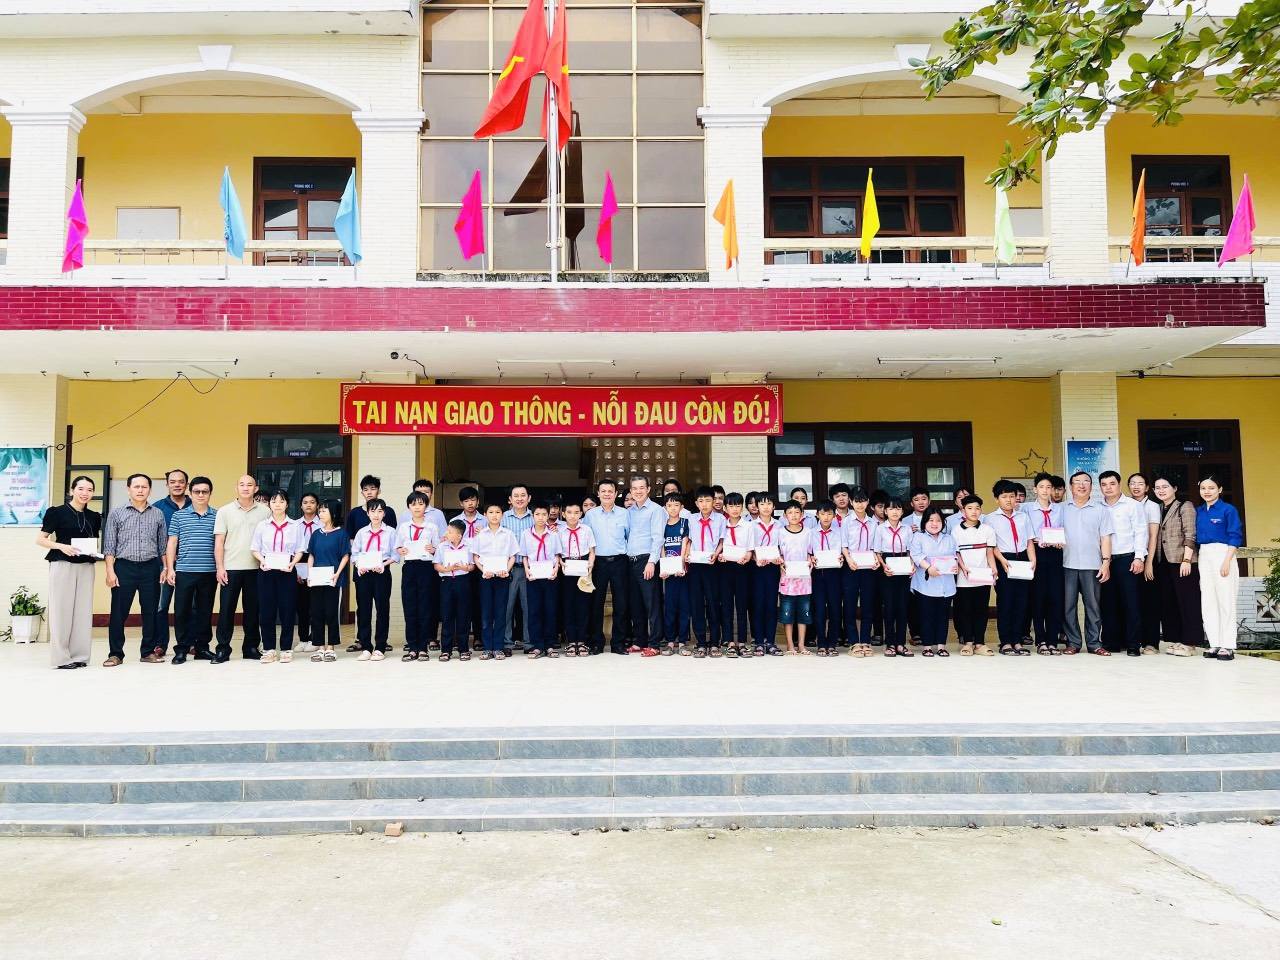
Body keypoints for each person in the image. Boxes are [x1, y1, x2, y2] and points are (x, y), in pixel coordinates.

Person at [101, 474, 169, 667]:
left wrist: (165, 567)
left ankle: (147, 652)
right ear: (128, 489)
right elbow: (109, 546)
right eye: (136, 486)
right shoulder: (116, 513)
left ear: (150, 490)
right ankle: (116, 654)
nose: (140, 490)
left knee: (150, 612)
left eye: (144, 487)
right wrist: (110, 571)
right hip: (124, 568)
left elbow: (162, 546)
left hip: (150, 568)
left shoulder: (157, 514)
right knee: (118, 613)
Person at [37, 474, 102, 669]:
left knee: (83, 612)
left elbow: (92, 540)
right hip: (62, 564)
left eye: (89, 490)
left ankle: (80, 655)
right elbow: (40, 539)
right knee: (61, 610)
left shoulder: (94, 516)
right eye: (80, 489)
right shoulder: (56, 512)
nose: (85, 493)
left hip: (86, 566)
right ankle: (61, 658)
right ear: (71, 490)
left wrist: (95, 552)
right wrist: (61, 546)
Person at [212, 475, 270, 663]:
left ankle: (251, 647)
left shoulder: (265, 511)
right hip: (230, 568)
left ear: (256, 488)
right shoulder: (225, 511)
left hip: (256, 568)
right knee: (226, 610)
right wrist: (220, 567)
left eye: (249, 485)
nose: (245, 488)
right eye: (242, 485)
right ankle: (223, 649)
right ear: (236, 488)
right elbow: (219, 542)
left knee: (253, 610)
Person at [164, 477, 218, 664]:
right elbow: (172, 543)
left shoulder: (218, 515)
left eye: (205, 491)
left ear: (210, 493)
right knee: (182, 611)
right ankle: (182, 649)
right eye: (197, 491)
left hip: (209, 571)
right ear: (190, 493)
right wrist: (170, 568)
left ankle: (202, 648)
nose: (201, 495)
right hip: (184, 571)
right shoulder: (179, 516)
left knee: (205, 611)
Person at [1061, 471, 1115, 655]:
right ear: (1071, 486)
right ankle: (1073, 642)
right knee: (1068, 606)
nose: (1082, 485)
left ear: (1091, 487)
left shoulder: (1101, 509)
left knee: (1093, 607)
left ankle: (1094, 643)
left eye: (1086, 482)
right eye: (1077, 482)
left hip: (1092, 565)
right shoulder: (1062, 508)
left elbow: (1105, 538)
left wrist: (1106, 563)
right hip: (1067, 564)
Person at [250, 490, 306, 663]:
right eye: (274, 501)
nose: (277, 505)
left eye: (281, 501)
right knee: (266, 610)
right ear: (270, 504)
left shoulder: (295, 526)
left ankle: (286, 648)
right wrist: (262, 561)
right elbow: (255, 548)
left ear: (287, 504)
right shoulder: (262, 525)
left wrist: (293, 563)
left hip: (287, 571)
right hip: (266, 571)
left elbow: (300, 549)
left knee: (287, 609)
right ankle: (269, 649)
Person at [1152, 475, 1203, 657]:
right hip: (1164, 562)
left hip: (1182, 561)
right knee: (1170, 602)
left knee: (1188, 602)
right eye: (1157, 487)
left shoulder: (1184, 506)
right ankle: (1177, 640)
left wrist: (1187, 560)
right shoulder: (1158, 508)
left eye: (1165, 486)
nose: (1161, 490)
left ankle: (1190, 642)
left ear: (1174, 488)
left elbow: (1190, 534)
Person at [1099, 470, 1148, 657]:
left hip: (1127, 558)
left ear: (1119, 485)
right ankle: (1111, 642)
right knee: (1108, 602)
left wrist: (1139, 557)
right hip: (1105, 560)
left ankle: (1133, 643)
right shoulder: (1098, 506)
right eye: (1104, 485)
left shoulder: (1132, 505)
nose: (1108, 488)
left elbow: (1141, 531)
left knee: (1131, 602)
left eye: (1112, 484)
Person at [1196, 475, 1243, 661]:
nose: (1207, 491)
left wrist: (1227, 560)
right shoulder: (1199, 511)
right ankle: (1214, 642)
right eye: (1203, 488)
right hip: (1204, 554)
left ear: (1220, 489)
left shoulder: (1228, 510)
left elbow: (1235, 535)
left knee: (1226, 599)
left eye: (1211, 488)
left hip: (1224, 553)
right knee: (1208, 600)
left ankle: (1228, 645)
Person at [988, 479, 1036, 656]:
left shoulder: (1023, 517)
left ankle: (1017, 641)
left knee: (1022, 603)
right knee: (1006, 602)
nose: (1008, 500)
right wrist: (1002, 560)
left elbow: (1029, 541)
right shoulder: (990, 519)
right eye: (1004, 496)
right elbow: (991, 545)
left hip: (1022, 559)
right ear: (996, 499)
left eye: (1011, 496)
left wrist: (1033, 561)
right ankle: (1006, 642)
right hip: (1004, 560)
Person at [582, 478, 630, 655]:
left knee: (621, 603)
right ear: (598, 493)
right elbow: (585, 539)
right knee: (596, 603)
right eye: (603, 491)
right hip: (598, 563)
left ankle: (618, 643)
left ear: (616, 493)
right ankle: (597, 642)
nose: (607, 494)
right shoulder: (590, 515)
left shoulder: (625, 514)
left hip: (620, 561)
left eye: (610, 491)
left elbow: (628, 536)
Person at [350, 497, 399, 661]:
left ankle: (380, 647)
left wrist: (383, 564)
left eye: (380, 511)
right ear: (368, 513)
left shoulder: (391, 532)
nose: (376, 514)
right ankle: (366, 647)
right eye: (373, 511)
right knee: (364, 610)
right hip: (364, 574)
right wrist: (359, 565)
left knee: (382, 610)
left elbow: (395, 554)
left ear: (384, 513)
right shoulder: (361, 532)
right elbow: (354, 554)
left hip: (382, 573)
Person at [1023, 472, 1065, 655]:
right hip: (1036, 553)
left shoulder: (1060, 509)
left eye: (1049, 487)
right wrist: (1036, 540)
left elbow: (1064, 529)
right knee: (1038, 598)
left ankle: (1052, 640)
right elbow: (1025, 532)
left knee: (1055, 598)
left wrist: (1061, 540)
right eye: (1042, 487)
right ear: (1035, 489)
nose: (1046, 490)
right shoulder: (1026, 509)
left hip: (1055, 553)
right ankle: (1040, 640)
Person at [150, 469, 190, 659]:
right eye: (172, 481)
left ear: (186, 484)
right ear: (167, 484)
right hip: (163, 566)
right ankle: (160, 643)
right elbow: (154, 539)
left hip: (190, 565)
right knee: (161, 605)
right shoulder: (157, 508)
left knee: (191, 606)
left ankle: (190, 642)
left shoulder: (196, 504)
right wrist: (166, 564)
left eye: (181, 481)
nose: (177, 485)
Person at [471, 501, 518, 660]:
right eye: (491, 512)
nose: (494, 515)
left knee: (500, 612)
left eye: (498, 512)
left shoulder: (508, 534)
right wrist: (483, 570)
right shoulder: (480, 535)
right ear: (485, 515)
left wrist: (507, 570)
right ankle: (487, 648)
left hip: (502, 577)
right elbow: (475, 556)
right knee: (486, 613)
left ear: (502, 515)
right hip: (486, 577)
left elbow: (513, 556)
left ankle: (498, 647)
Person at [305, 499, 350, 662]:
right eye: (320, 510)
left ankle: (330, 647)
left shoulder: (341, 534)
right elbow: (311, 555)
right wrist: (309, 574)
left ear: (334, 512)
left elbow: (345, 555)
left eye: (324, 510)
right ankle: (319, 647)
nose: (320, 513)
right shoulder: (316, 534)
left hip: (333, 580)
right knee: (316, 612)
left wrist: (337, 574)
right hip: (317, 579)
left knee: (331, 613)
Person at [625, 473, 665, 655]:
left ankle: (655, 644)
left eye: (642, 487)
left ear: (648, 489)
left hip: (646, 561)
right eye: (635, 488)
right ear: (630, 491)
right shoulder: (629, 511)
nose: (638, 491)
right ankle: (640, 641)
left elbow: (658, 538)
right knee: (636, 604)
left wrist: (651, 562)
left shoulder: (656, 510)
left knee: (652, 604)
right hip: (630, 561)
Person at [397, 492, 439, 662]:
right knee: (410, 606)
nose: (417, 507)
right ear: (409, 507)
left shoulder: (432, 527)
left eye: (421, 504)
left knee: (425, 607)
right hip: (409, 567)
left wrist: (433, 549)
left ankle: (423, 648)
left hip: (426, 568)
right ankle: (412, 647)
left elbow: (438, 549)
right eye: (413, 504)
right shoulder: (403, 527)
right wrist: (400, 550)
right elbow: (397, 547)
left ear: (426, 507)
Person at [910, 507, 958, 656]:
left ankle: (941, 646)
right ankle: (927, 647)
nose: (934, 523)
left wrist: (955, 565)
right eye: (931, 520)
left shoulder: (949, 538)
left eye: (938, 520)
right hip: (925, 584)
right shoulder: (918, 537)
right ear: (924, 522)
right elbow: (916, 555)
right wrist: (928, 567)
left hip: (946, 584)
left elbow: (955, 556)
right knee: (926, 616)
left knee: (943, 617)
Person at [952, 494, 995, 656]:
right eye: (970, 508)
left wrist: (993, 569)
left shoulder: (987, 530)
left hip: (983, 576)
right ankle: (968, 643)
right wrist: (963, 568)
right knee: (965, 610)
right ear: (963, 511)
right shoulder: (956, 530)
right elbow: (956, 553)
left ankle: (980, 643)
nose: (974, 511)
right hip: (964, 578)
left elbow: (989, 552)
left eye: (977, 508)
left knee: (981, 610)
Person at [687, 485, 725, 656]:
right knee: (696, 604)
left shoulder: (720, 519)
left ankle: (715, 642)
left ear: (713, 501)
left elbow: (722, 540)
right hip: (695, 565)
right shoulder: (691, 519)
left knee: (713, 603)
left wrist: (716, 554)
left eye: (708, 500)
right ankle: (701, 642)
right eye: (701, 501)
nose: (704, 504)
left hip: (712, 565)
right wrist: (686, 555)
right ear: (696, 503)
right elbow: (688, 540)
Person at [841, 487, 879, 657]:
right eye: (856, 501)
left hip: (868, 568)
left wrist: (876, 560)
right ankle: (853, 642)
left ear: (868, 502)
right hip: (851, 566)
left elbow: (875, 547)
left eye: (863, 500)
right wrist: (849, 560)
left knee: (867, 605)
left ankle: (865, 640)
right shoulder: (846, 522)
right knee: (849, 605)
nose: (860, 504)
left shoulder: (873, 523)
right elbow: (844, 545)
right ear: (851, 502)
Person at [1128, 472, 1163, 655]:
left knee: (1149, 602)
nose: (1136, 487)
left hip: (1148, 558)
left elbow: (1153, 536)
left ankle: (1151, 642)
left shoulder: (1152, 506)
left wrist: (1148, 562)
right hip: (1130, 558)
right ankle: (1133, 640)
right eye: (1133, 483)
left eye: (1140, 483)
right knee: (1133, 601)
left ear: (1147, 487)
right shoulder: (1127, 504)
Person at [521, 501, 561, 659]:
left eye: (544, 514)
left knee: (550, 610)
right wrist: (527, 570)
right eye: (537, 514)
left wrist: (556, 569)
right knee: (534, 610)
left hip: (550, 576)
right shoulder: (526, 534)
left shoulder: (553, 534)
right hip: (533, 576)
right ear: (532, 515)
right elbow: (524, 555)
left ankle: (550, 644)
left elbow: (557, 555)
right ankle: (537, 645)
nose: (541, 517)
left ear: (548, 515)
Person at [874, 497, 913, 657]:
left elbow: (911, 550)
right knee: (889, 607)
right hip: (887, 568)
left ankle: (901, 643)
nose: (894, 512)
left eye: (898, 508)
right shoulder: (880, 529)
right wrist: (884, 566)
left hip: (904, 566)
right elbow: (877, 551)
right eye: (891, 508)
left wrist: (912, 565)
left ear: (902, 511)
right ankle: (890, 643)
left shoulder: (907, 529)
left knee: (903, 606)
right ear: (885, 511)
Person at [558, 500, 596, 658]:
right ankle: (571, 641)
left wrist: (590, 565)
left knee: (583, 605)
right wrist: (560, 562)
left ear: (581, 514)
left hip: (583, 567)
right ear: (563, 514)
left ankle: (582, 640)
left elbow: (592, 550)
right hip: (566, 567)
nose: (573, 516)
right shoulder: (559, 531)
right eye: (569, 512)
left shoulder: (586, 529)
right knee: (568, 605)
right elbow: (557, 552)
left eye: (576, 512)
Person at [501, 483, 535, 653]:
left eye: (523, 495)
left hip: (530, 569)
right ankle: (506, 643)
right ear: (510, 499)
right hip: (509, 568)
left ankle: (529, 643)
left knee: (529, 608)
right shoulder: (502, 518)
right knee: (506, 608)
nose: (520, 499)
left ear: (529, 498)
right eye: (516, 496)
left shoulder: (536, 517)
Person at [718, 492, 754, 657]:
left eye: (738, 505)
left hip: (742, 568)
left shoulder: (748, 526)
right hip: (725, 568)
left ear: (742, 507)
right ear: (725, 508)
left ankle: (742, 642)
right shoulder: (721, 525)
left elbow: (750, 548)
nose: (734, 509)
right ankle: (729, 641)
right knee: (726, 605)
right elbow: (717, 545)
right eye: (731, 505)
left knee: (741, 606)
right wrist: (719, 555)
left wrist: (747, 556)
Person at [434, 519, 474, 661]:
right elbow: (436, 565)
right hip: (447, 582)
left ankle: (464, 649)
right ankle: (446, 650)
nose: (447, 533)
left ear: (459, 535)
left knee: (463, 616)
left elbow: (472, 566)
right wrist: (447, 569)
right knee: (447, 616)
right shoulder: (442, 546)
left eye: (450, 532)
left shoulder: (468, 546)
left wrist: (465, 567)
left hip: (463, 581)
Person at [749, 493, 783, 657]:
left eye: (769, 504)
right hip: (756, 568)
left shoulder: (780, 525)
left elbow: (782, 546)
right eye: (762, 504)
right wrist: (755, 558)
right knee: (758, 605)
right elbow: (749, 547)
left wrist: (780, 558)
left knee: (771, 605)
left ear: (774, 506)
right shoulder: (751, 526)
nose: (766, 507)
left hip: (773, 568)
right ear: (757, 507)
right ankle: (758, 642)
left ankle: (770, 641)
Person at [777, 499, 813, 655]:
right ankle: (790, 645)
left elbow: (811, 552)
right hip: (787, 580)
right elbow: (777, 553)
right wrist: (780, 562)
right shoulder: (780, 532)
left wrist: (811, 560)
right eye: (790, 512)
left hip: (804, 580)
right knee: (787, 613)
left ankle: (802, 645)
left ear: (802, 514)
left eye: (797, 512)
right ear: (785, 515)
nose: (793, 515)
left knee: (804, 612)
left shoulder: (808, 532)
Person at [808, 499, 843, 656]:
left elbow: (844, 550)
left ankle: (832, 643)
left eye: (829, 514)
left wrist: (842, 557)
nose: (826, 517)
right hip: (818, 574)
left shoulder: (839, 532)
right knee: (820, 609)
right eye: (823, 514)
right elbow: (808, 552)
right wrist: (810, 557)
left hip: (835, 573)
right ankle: (821, 643)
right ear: (817, 515)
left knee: (835, 609)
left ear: (834, 515)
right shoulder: (810, 533)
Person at [659, 492, 691, 656]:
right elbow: (661, 546)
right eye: (669, 505)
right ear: (665, 507)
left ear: (682, 507)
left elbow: (686, 544)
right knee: (670, 607)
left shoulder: (685, 522)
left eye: (676, 505)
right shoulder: (662, 525)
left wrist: (682, 565)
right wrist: (664, 567)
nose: (673, 508)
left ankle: (683, 642)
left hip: (682, 571)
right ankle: (670, 641)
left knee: (684, 607)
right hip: (669, 573)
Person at [453, 485, 485, 651]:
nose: (470, 503)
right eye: (466, 501)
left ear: (478, 502)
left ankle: (479, 637)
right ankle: (460, 637)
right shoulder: (454, 522)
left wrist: (483, 535)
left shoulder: (485, 520)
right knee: (461, 603)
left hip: (481, 567)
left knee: (479, 602)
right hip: (462, 567)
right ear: (461, 503)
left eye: (473, 500)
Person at [293, 493, 321, 652]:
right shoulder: (294, 525)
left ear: (317, 505)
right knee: (301, 606)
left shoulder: (322, 524)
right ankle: (303, 638)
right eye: (305, 502)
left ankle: (314, 639)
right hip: (298, 565)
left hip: (317, 565)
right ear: (301, 505)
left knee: (315, 605)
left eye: (312, 502)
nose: (308, 505)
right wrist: (295, 571)